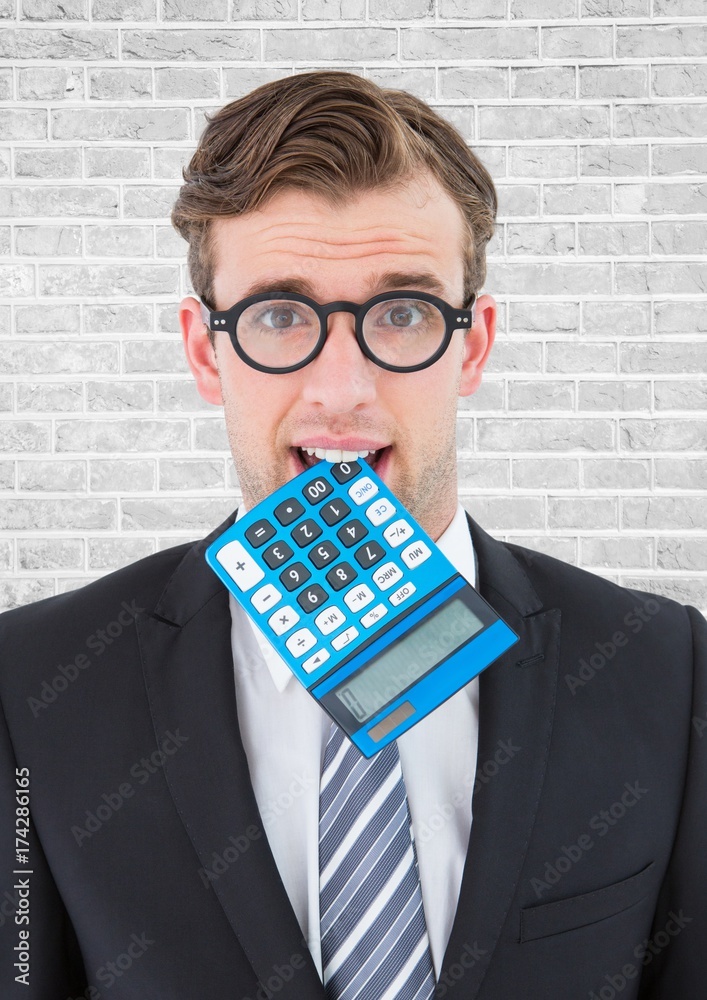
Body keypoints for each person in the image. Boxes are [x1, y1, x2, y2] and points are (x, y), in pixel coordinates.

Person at [0, 70, 704, 1000]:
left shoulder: (663, 669)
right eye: (280, 314)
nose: (343, 390)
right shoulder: (33, 683)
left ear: (474, 343)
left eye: (403, 312)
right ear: (206, 351)